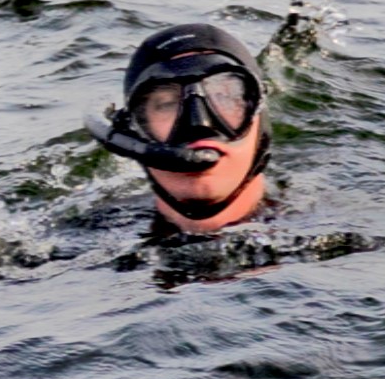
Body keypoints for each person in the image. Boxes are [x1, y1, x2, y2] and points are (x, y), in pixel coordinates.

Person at [94, 22, 274, 235]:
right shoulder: (84, 240)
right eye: (166, 104)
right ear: (133, 133)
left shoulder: (310, 238)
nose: (199, 125)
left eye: (223, 97)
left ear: (259, 121)